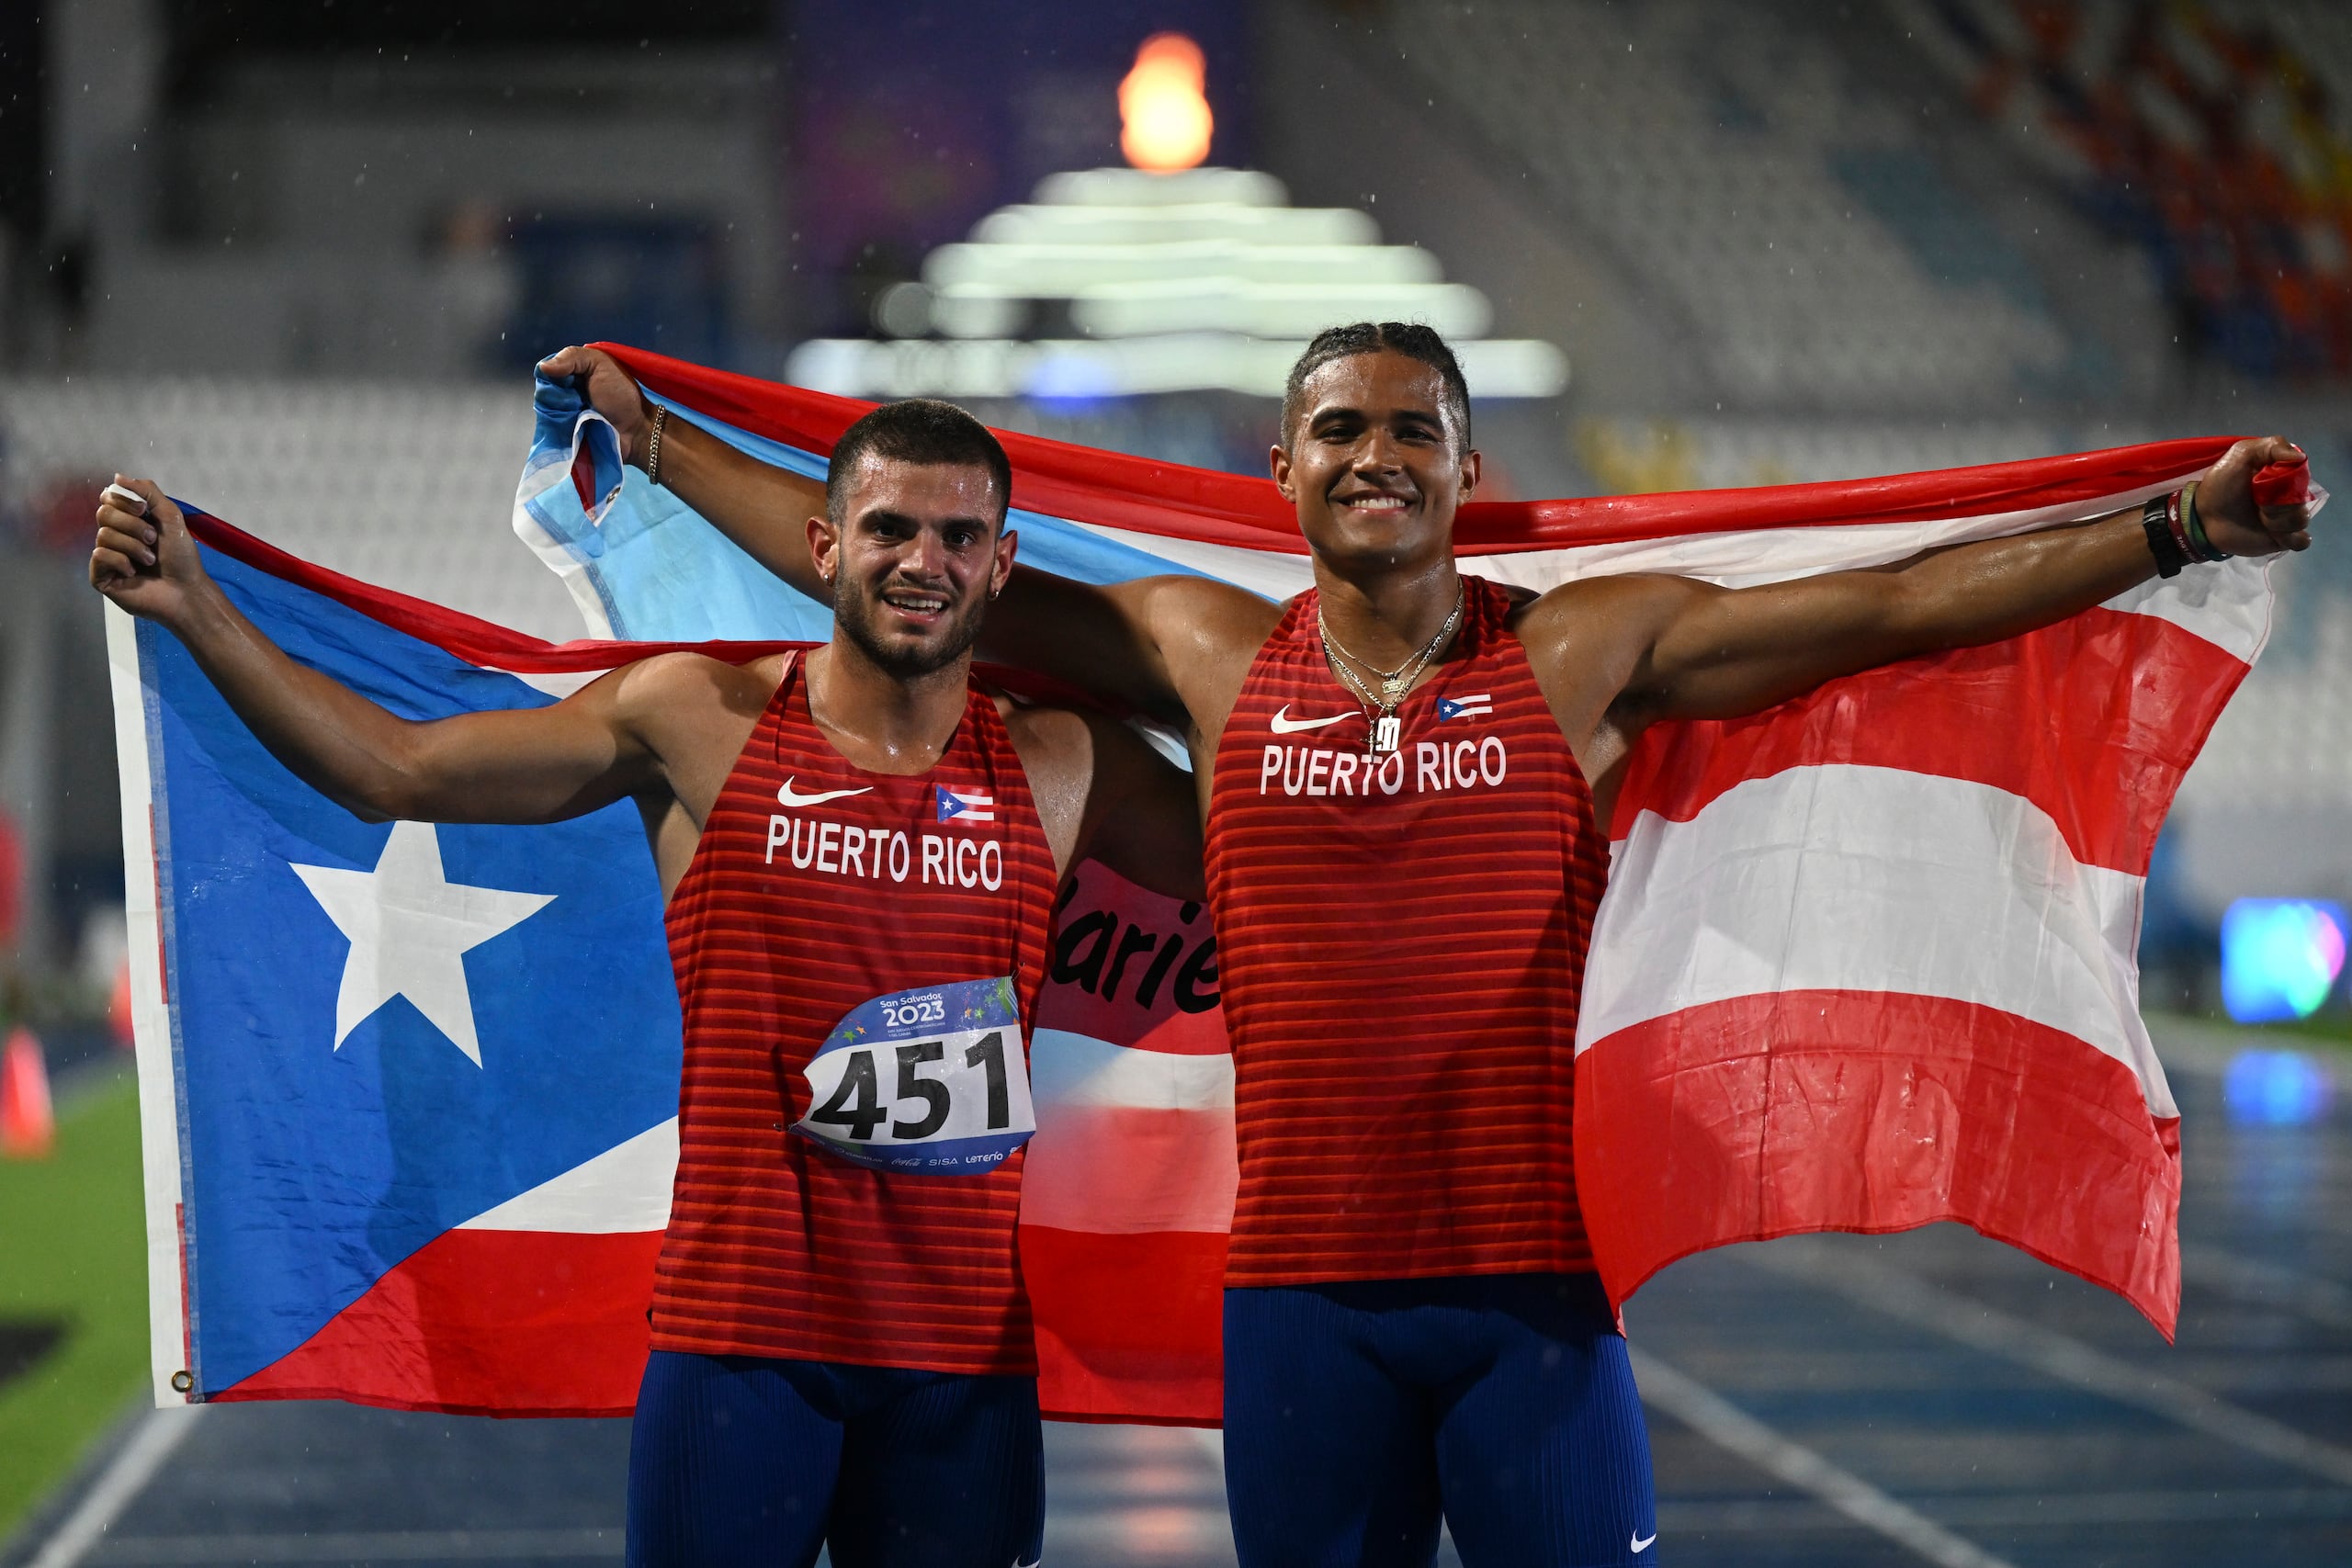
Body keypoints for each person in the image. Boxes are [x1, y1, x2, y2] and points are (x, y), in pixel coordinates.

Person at [538, 330, 2317, 1567]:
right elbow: (888, 570)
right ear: (1282, 465)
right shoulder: (1204, 654)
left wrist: (2167, 529)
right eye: (1336, 428)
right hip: (1298, 1307)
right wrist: (662, 433)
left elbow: (1879, 609)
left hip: (1529, 1300)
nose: (1371, 454)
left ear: (1469, 465)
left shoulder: (1577, 653)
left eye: (1408, 429)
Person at [89, 399, 1203, 1568]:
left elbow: (1281, 858)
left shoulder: (1064, 765)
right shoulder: (698, 720)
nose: (924, 562)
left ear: (1002, 564)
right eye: (888, 529)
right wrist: (195, 606)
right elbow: (392, 771)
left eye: (960, 538)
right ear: (824, 548)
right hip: (740, 1348)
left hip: (959, 1364)